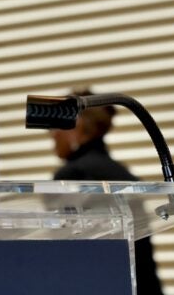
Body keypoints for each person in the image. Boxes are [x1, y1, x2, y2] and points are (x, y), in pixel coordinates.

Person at [50, 87, 164, 295]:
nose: (52, 135)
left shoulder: (72, 176)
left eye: (55, 127)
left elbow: (67, 256)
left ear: (76, 126)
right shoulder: (122, 173)